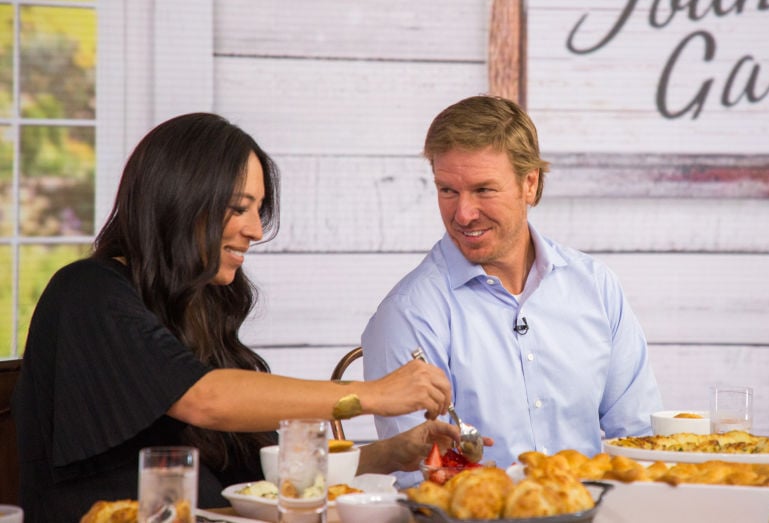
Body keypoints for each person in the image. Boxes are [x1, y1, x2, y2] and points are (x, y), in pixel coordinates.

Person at [12, 112, 460, 520]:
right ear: (182, 199)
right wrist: (370, 395)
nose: (256, 230)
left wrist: (387, 454)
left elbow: (264, 477)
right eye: (239, 207)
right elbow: (204, 399)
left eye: (256, 210)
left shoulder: (198, 309)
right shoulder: (87, 293)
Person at [361, 95, 662, 479]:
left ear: (530, 184)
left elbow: (638, 439)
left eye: (483, 190)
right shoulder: (407, 313)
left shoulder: (596, 286)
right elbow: (420, 480)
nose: (463, 214)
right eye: (447, 190)